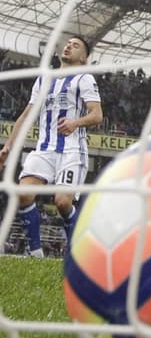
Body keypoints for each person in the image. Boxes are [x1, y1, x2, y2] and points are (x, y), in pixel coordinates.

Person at [0, 35, 102, 257]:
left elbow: (97, 115)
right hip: (44, 148)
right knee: (24, 193)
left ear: (84, 58)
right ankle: (36, 254)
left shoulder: (84, 78)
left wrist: (76, 122)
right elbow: (26, 116)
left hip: (72, 150)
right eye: (68, 43)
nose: (68, 47)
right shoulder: (45, 80)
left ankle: (74, 250)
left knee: (62, 202)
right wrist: (8, 147)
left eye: (75, 46)